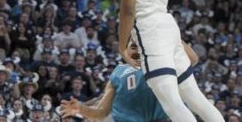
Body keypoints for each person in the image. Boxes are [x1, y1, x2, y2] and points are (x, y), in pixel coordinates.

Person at [60, 38, 198, 121]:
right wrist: (81, 109)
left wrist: (170, 34)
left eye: (140, 43)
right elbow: (102, 112)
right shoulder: (118, 72)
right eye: (132, 44)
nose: (136, 46)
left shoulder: (160, 62)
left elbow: (192, 60)